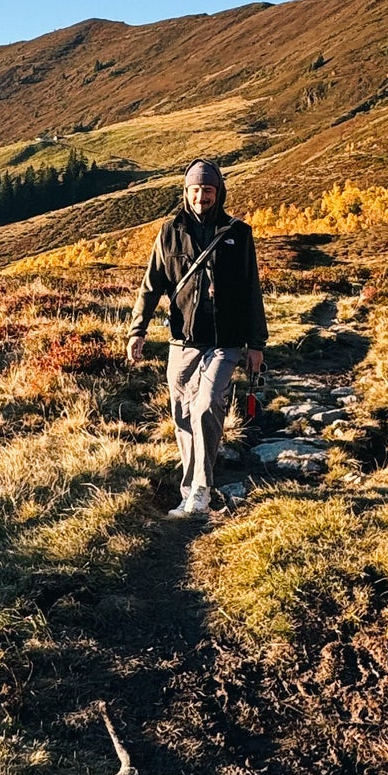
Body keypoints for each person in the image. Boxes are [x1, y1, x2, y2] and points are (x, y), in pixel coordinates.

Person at [126, 159, 267, 519]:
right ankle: (189, 490)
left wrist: (257, 344)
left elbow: (252, 290)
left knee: (206, 404)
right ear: (185, 192)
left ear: (218, 193)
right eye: (194, 189)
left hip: (227, 339)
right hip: (183, 340)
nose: (200, 196)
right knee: (182, 413)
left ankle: (201, 490)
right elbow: (150, 285)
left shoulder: (239, 233)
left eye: (207, 190)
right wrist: (137, 331)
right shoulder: (169, 231)